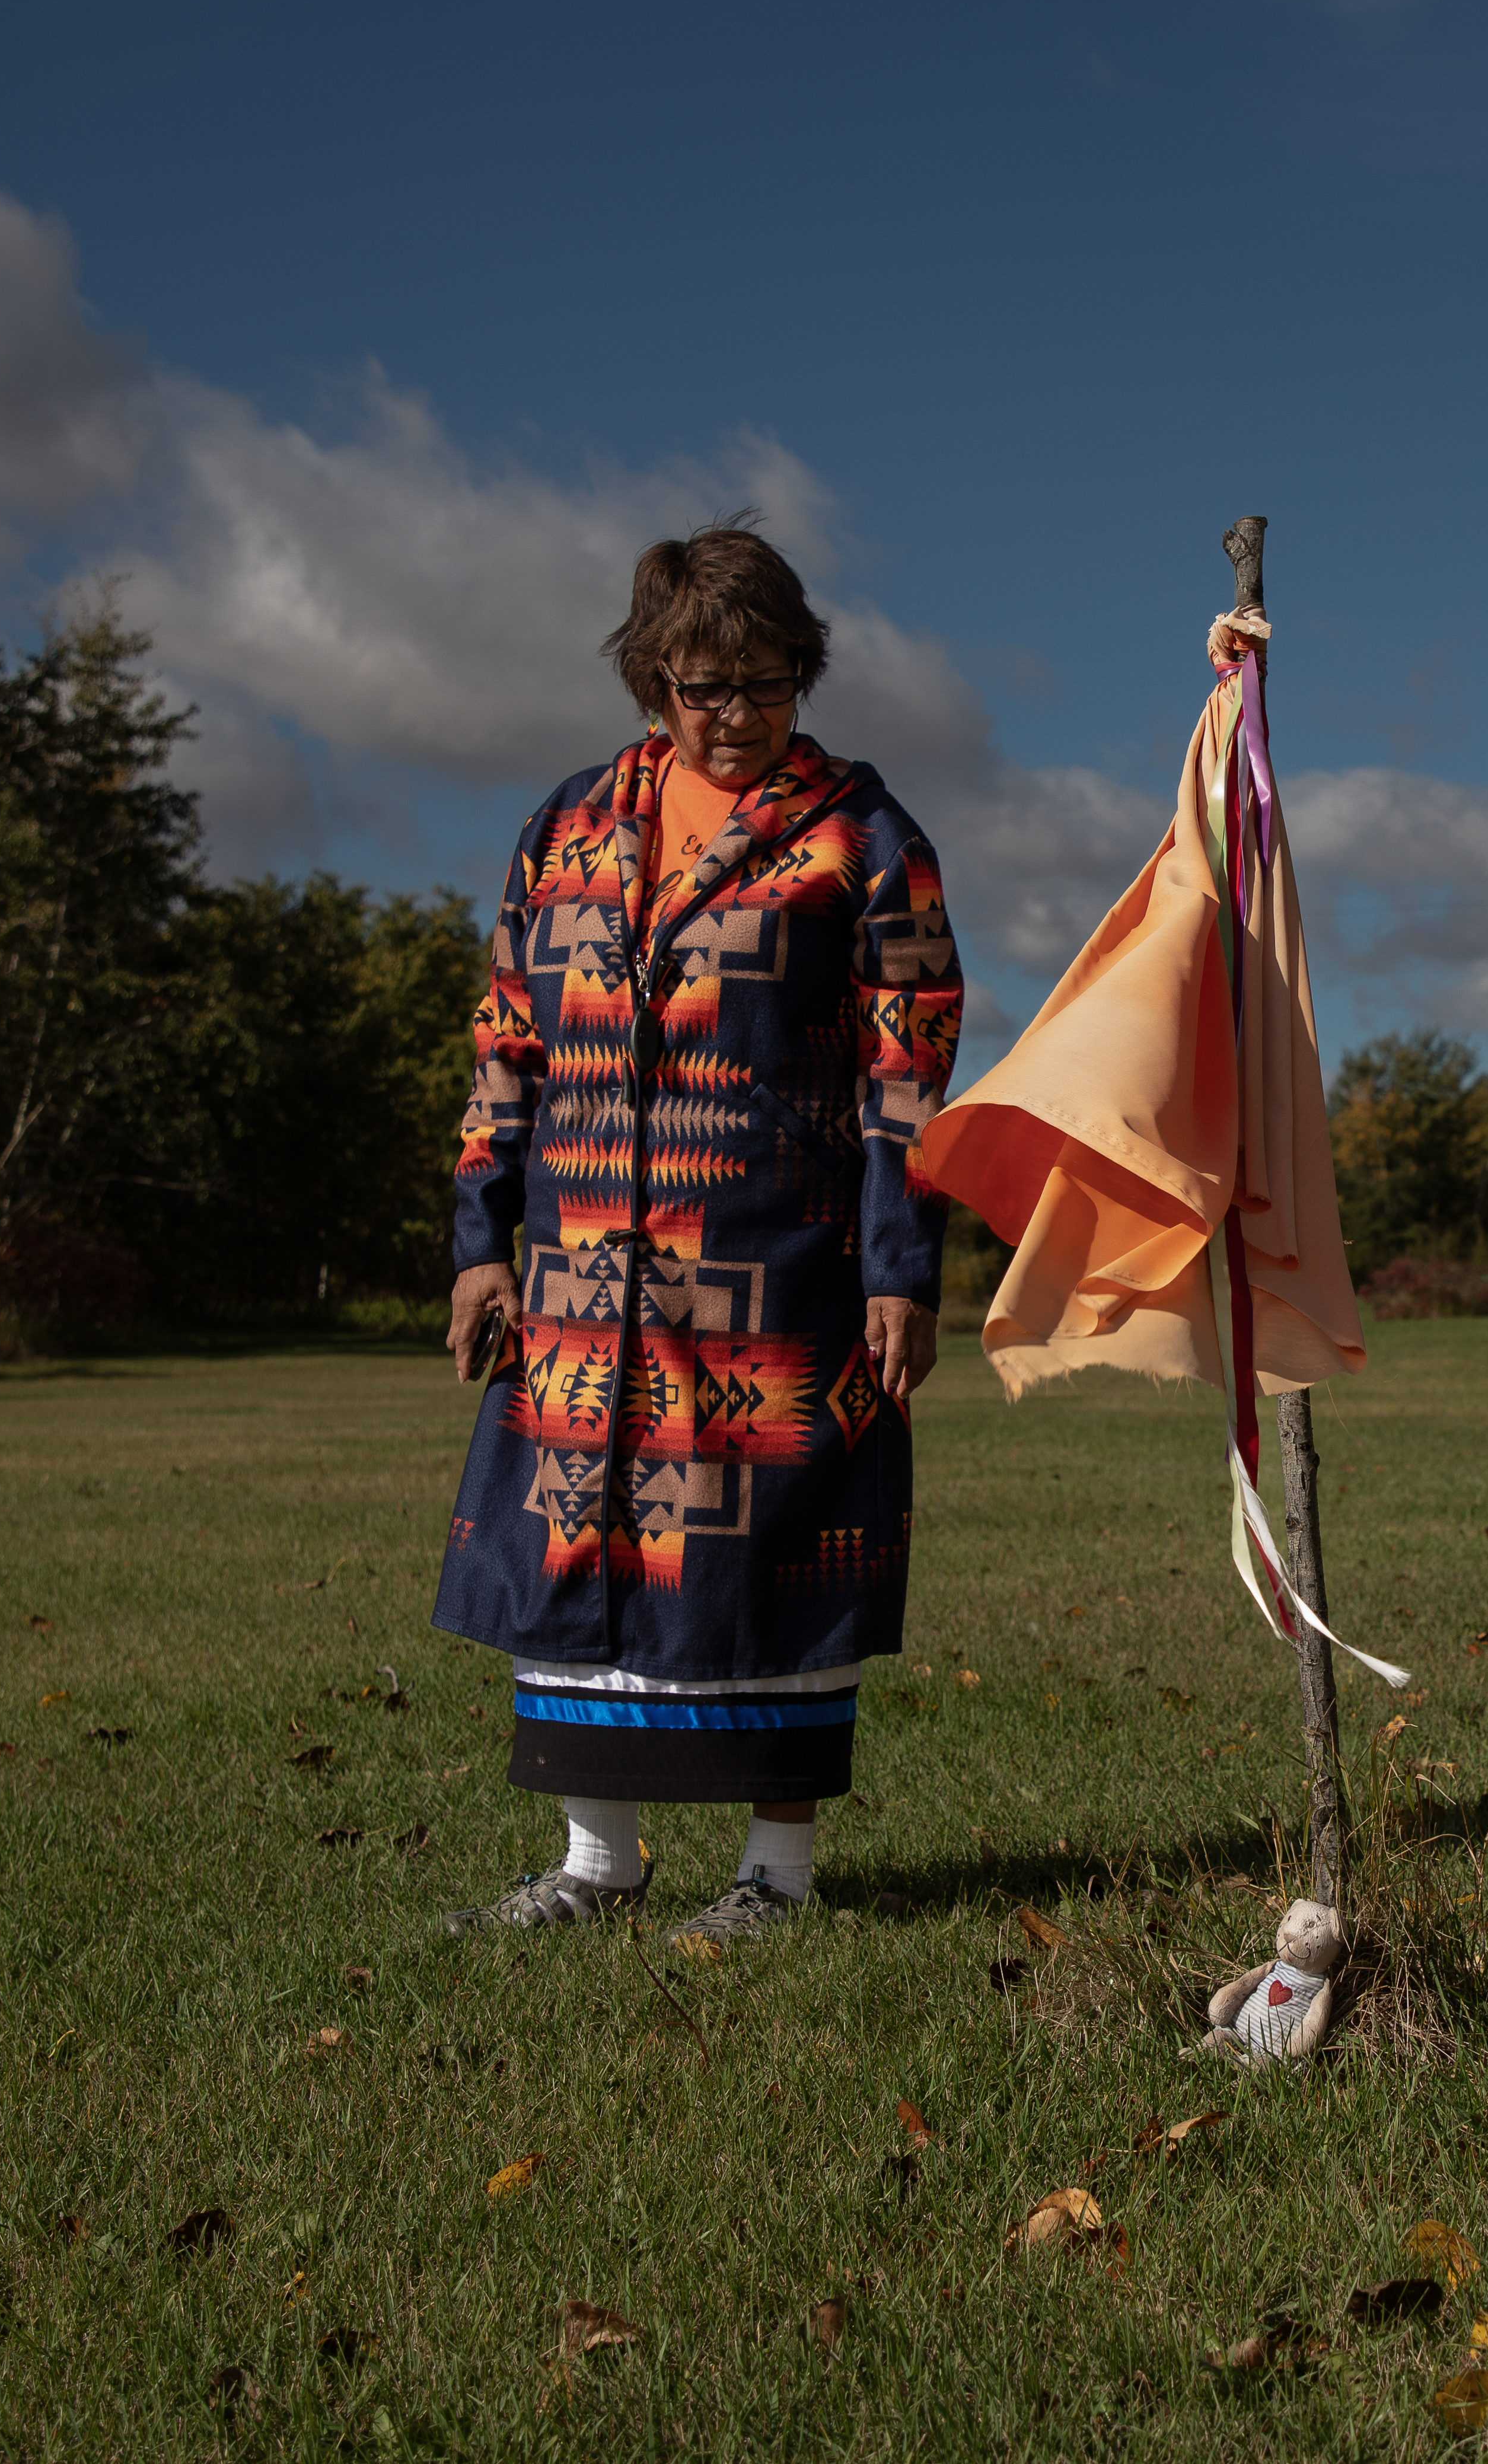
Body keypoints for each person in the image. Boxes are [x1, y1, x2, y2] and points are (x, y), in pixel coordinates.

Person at [432, 518, 961, 1942]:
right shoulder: (566, 828)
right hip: (577, 1276)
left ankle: (775, 1883)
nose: (737, 716)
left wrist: (902, 1267)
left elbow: (908, 1070)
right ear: (649, 681)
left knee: (772, 1565)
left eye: (769, 680)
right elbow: (505, 1040)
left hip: (779, 1275)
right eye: (703, 686)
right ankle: (597, 1864)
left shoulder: (862, 834)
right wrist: (483, 1239)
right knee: (583, 1560)